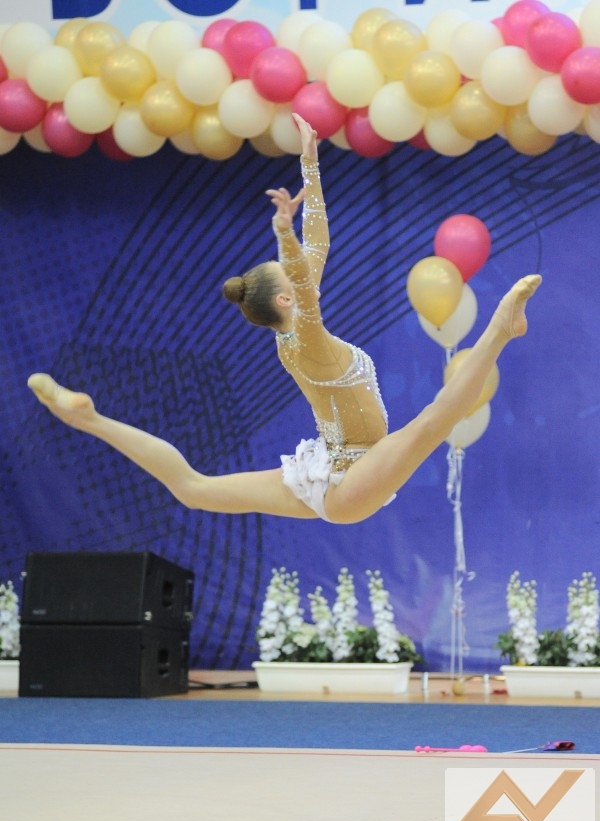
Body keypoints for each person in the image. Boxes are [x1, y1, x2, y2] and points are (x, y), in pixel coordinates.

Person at [27, 114, 541, 525]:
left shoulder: (292, 333)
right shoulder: (307, 338)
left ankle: (88, 419)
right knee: (434, 420)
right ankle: (501, 328)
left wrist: (309, 165)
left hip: (324, 471)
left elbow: (319, 245)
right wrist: (283, 236)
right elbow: (302, 264)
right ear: (287, 299)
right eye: (295, 279)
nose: (306, 275)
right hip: (352, 477)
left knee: (194, 488)